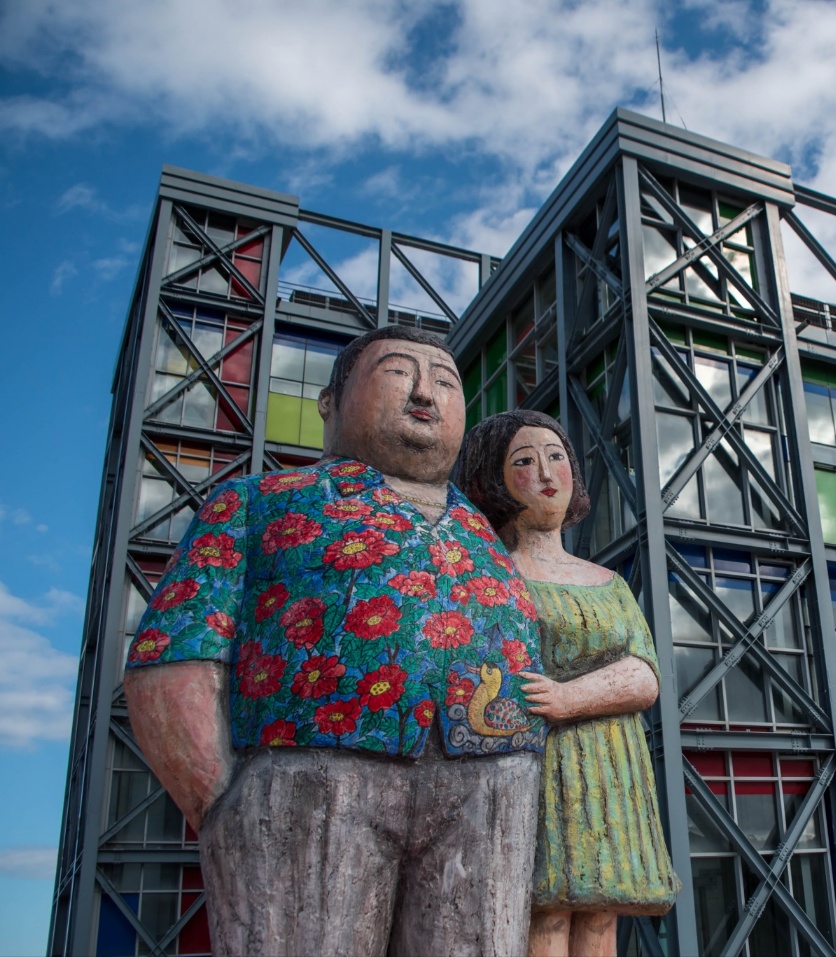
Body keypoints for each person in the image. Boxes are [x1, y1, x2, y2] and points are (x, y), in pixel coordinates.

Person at [124, 326, 546, 957]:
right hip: (307, 778)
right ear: (330, 403)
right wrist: (222, 800)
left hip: (493, 784)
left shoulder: (487, 530)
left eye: (445, 382)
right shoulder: (259, 501)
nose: (425, 393)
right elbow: (175, 647)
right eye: (398, 372)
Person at [458, 410, 678, 957]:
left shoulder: (608, 583)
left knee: (601, 912)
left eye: (556, 457)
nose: (545, 473)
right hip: (537, 762)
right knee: (545, 910)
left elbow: (645, 674)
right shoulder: (491, 578)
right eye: (524, 461)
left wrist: (569, 697)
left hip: (611, 766)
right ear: (493, 479)